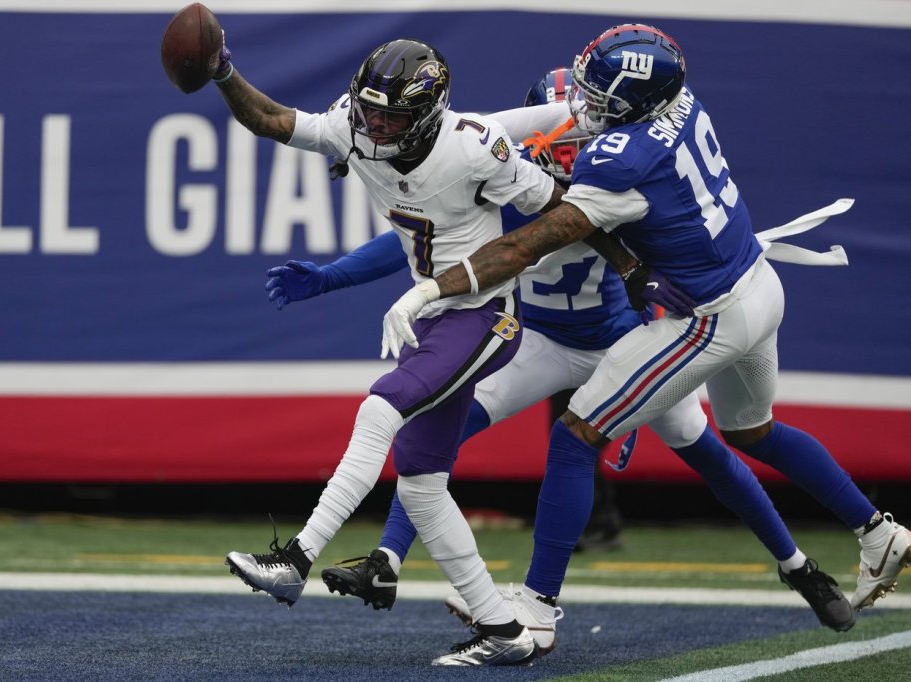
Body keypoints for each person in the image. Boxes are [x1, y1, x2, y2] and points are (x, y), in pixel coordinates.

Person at [267, 68, 856, 653]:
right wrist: (329, 277)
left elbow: (663, 266)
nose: (573, 152)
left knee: (706, 450)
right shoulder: (511, 182)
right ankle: (388, 559)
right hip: (541, 340)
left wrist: (633, 390)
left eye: (583, 138)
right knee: (434, 429)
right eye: (566, 139)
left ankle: (798, 566)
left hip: (622, 345)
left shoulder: (618, 189)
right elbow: (410, 238)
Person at [380, 25, 911, 627]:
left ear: (633, 101)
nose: (582, 110)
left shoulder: (613, 164)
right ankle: (876, 530)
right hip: (758, 284)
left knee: (575, 436)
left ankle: (538, 605)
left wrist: (431, 287)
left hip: (705, 318)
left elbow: (525, 245)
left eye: (597, 96)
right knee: (753, 433)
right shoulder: (681, 101)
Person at [191, 28, 658, 666]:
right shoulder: (353, 126)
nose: (374, 125)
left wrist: (628, 264)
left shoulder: (474, 148)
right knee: (420, 485)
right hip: (436, 317)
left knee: (379, 410)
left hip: (483, 313)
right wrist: (223, 71)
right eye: (369, 110)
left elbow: (560, 208)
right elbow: (273, 119)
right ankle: (504, 630)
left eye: (390, 116)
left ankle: (296, 559)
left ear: (426, 116)